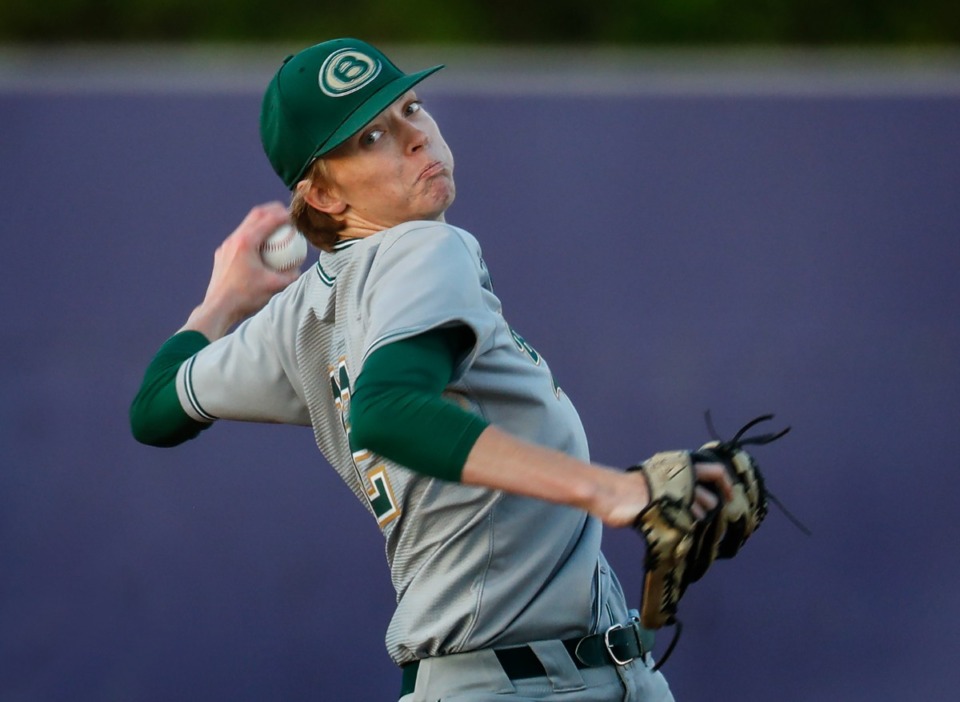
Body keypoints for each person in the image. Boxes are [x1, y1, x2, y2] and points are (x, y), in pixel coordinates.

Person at [130, 38, 731, 701]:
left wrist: (220, 303)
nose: (414, 137)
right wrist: (609, 491)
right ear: (324, 194)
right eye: (371, 138)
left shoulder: (294, 318)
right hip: (527, 684)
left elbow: (155, 408)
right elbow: (386, 409)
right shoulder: (425, 247)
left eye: (411, 107)